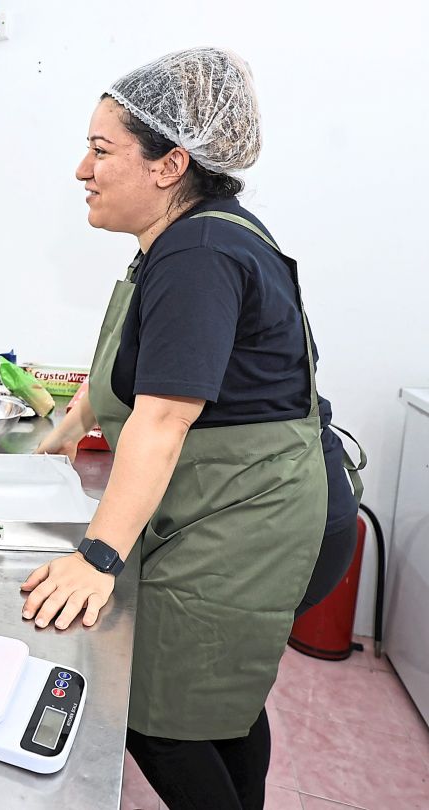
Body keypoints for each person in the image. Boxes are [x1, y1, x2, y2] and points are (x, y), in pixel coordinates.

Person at [22, 48, 363, 810]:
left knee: (160, 715)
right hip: (250, 509)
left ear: (170, 163)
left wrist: (96, 556)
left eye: (102, 150)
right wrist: (73, 419)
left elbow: (166, 416)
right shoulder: (188, 238)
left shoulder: (200, 252)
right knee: (219, 704)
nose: (83, 168)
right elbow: (151, 360)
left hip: (261, 523)